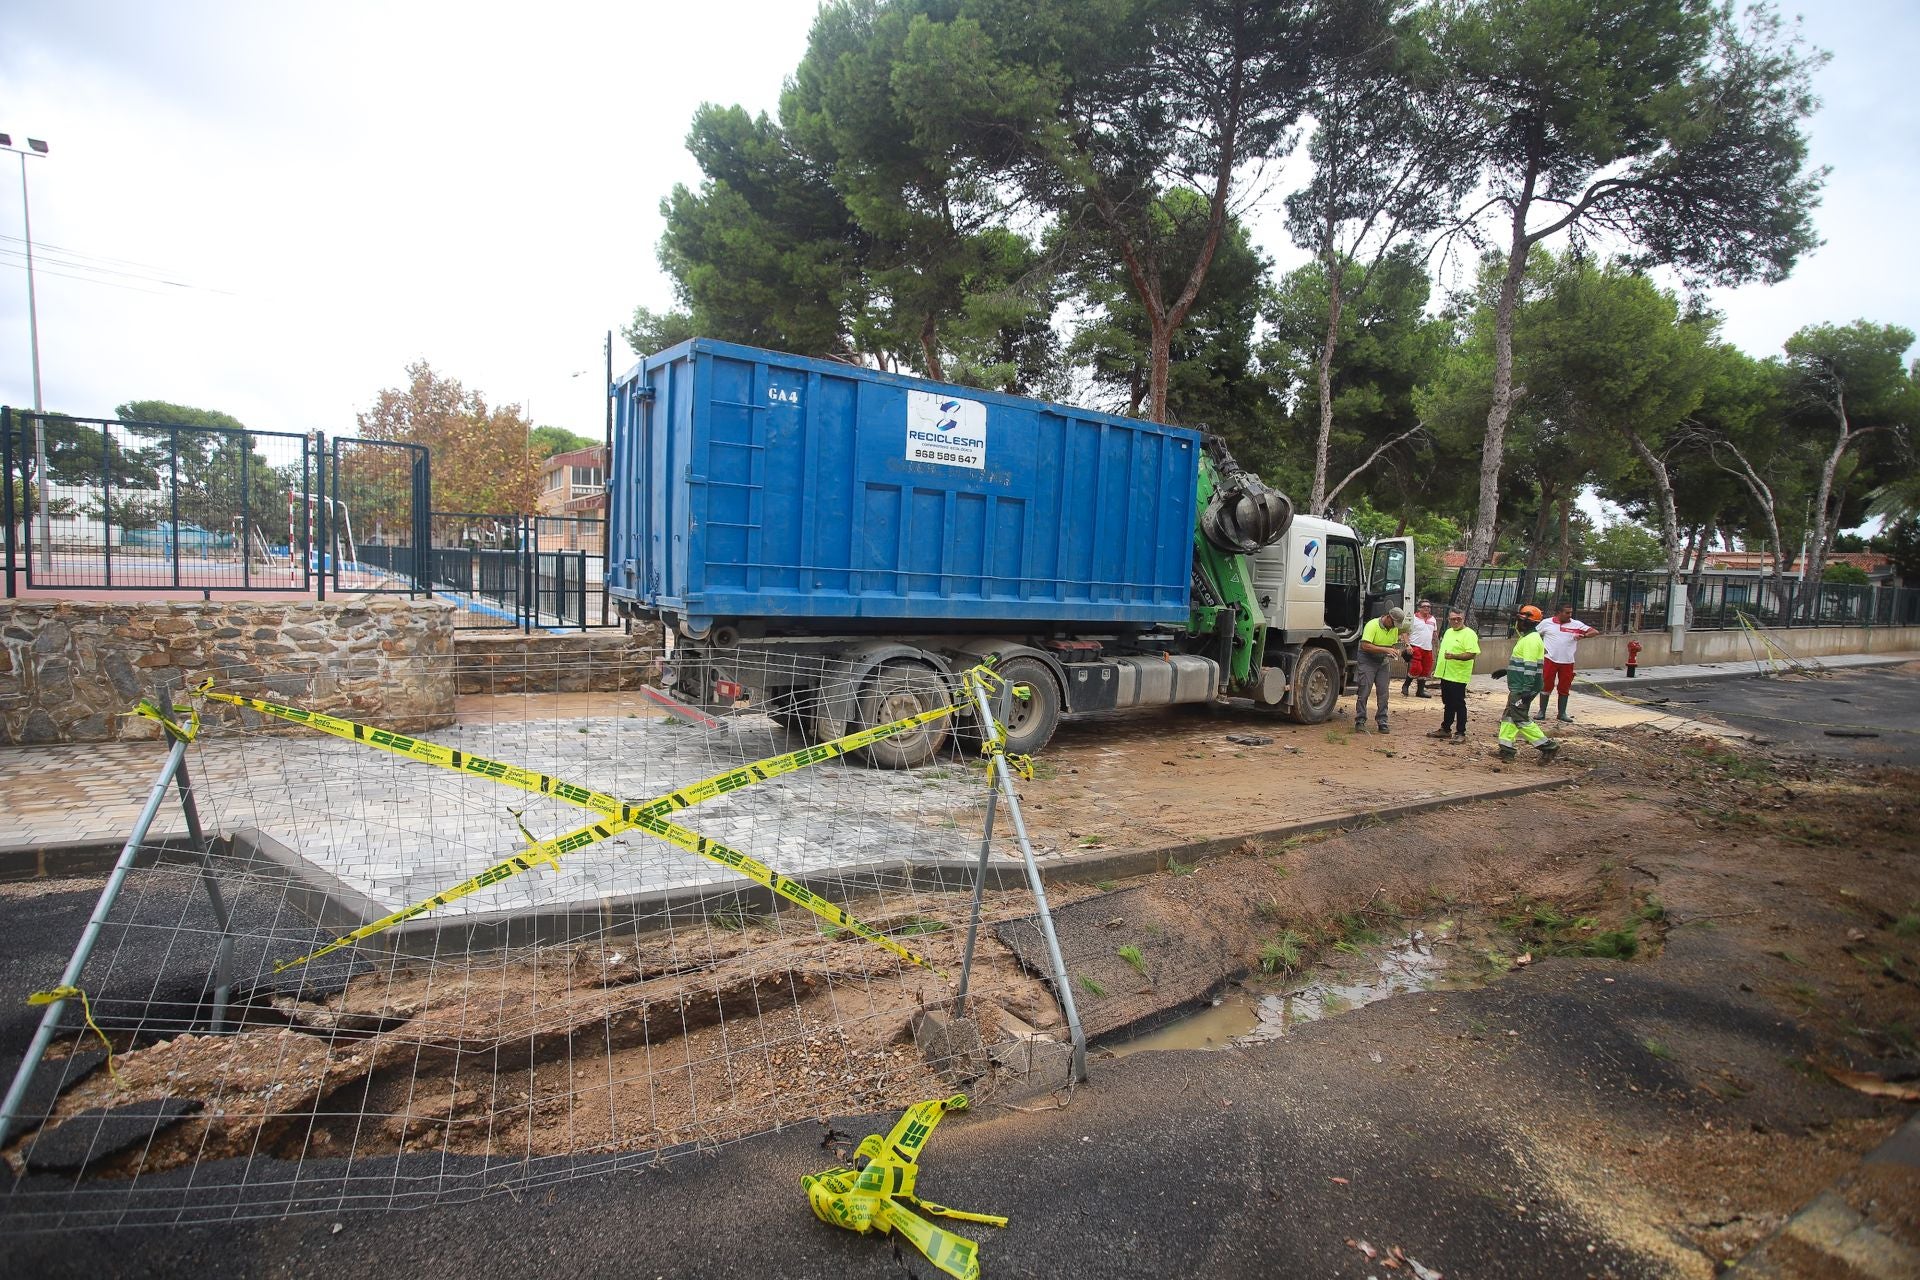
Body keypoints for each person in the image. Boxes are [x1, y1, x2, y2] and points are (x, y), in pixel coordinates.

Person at [1493, 605, 1558, 763]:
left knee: (1519, 717)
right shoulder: (1529, 638)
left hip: (1523, 687)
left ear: (1527, 623)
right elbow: (1526, 663)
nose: (1517, 623)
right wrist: (1508, 671)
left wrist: (1526, 689)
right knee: (1509, 716)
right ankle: (1506, 749)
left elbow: (1530, 666)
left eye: (1520, 620)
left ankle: (1548, 746)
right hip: (1520, 685)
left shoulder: (1530, 640)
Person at [1535, 600, 1598, 722]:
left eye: (1571, 613)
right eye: (1567, 613)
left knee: (1564, 687)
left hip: (1568, 661)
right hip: (1550, 659)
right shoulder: (1546, 623)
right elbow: (1534, 635)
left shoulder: (1576, 624)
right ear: (1558, 613)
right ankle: (1542, 711)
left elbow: (1594, 632)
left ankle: (1562, 713)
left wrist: (1583, 636)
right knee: (1546, 686)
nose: (1570, 615)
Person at [1425, 606, 1479, 743]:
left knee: (1459, 703)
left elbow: (1471, 654)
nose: (1455, 621)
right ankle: (1445, 729)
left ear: (1463, 619)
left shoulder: (1469, 634)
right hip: (1446, 675)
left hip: (1458, 676)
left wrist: (1454, 656)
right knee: (1448, 703)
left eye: (1458, 619)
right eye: (1453, 619)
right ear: (1448, 620)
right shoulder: (1448, 632)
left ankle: (1461, 732)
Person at [1352, 605, 1404, 734]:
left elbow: (1392, 645)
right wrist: (1385, 649)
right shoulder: (1372, 625)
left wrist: (1396, 650)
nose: (1394, 626)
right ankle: (1360, 720)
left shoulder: (1394, 629)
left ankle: (1382, 721)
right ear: (1388, 617)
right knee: (1364, 690)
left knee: (1383, 692)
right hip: (1367, 659)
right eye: (1393, 623)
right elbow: (1365, 645)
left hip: (1383, 661)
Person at [1400, 599, 1437, 699]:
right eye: (1424, 606)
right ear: (1419, 608)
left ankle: (1420, 691)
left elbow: (1434, 634)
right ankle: (1406, 685)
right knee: (1416, 668)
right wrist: (1408, 645)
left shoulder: (1433, 619)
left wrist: (1436, 647)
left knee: (1426, 669)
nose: (1427, 608)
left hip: (1428, 648)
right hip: (1416, 646)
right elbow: (1404, 632)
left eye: (1428, 606)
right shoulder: (1413, 618)